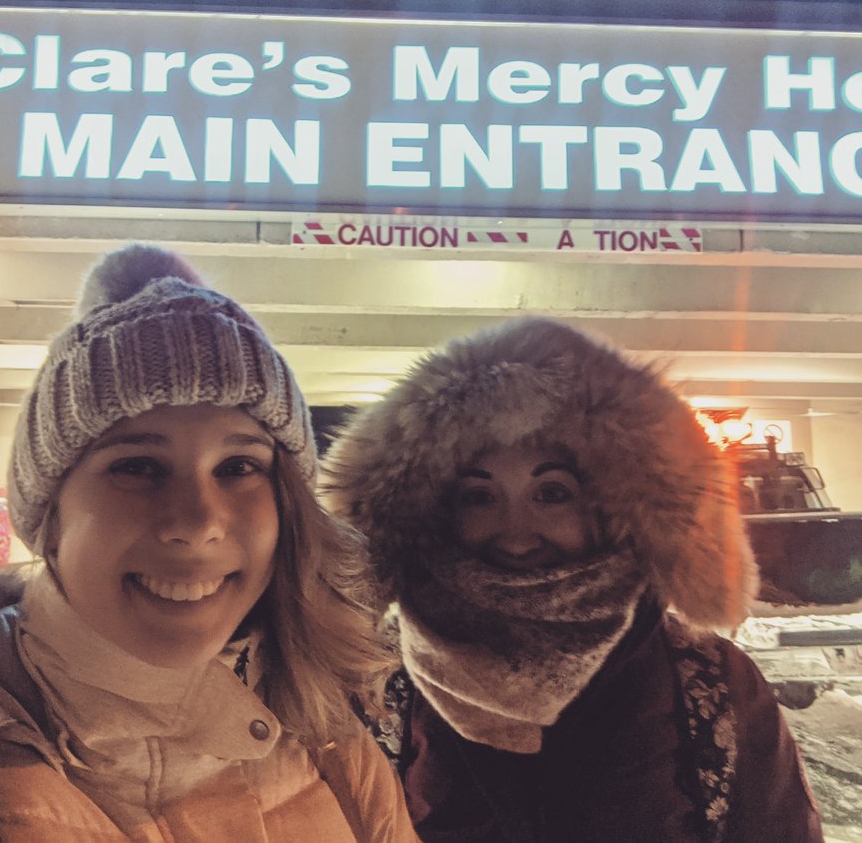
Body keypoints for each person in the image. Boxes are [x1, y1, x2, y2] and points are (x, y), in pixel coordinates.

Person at [0, 244, 417, 842]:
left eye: (239, 467)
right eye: (138, 466)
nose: (198, 521)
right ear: (52, 514)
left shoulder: (329, 737)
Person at [320, 316, 824, 843]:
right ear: (434, 511)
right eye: (479, 497)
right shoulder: (371, 683)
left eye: (551, 494)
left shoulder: (709, 682)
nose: (516, 535)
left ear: (608, 508)